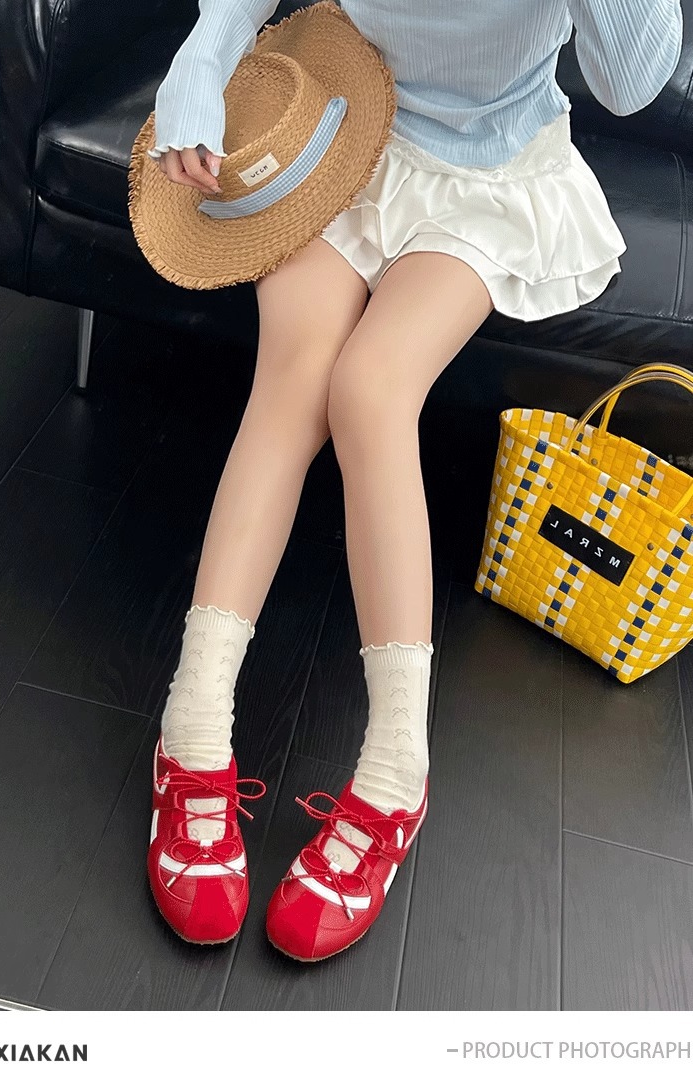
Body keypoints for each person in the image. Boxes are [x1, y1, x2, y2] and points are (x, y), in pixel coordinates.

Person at [145, 0, 684, 962]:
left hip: (488, 169)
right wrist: (201, 58)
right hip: (344, 126)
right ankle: (189, 727)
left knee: (371, 388)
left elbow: (632, 82)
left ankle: (397, 768)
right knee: (294, 377)